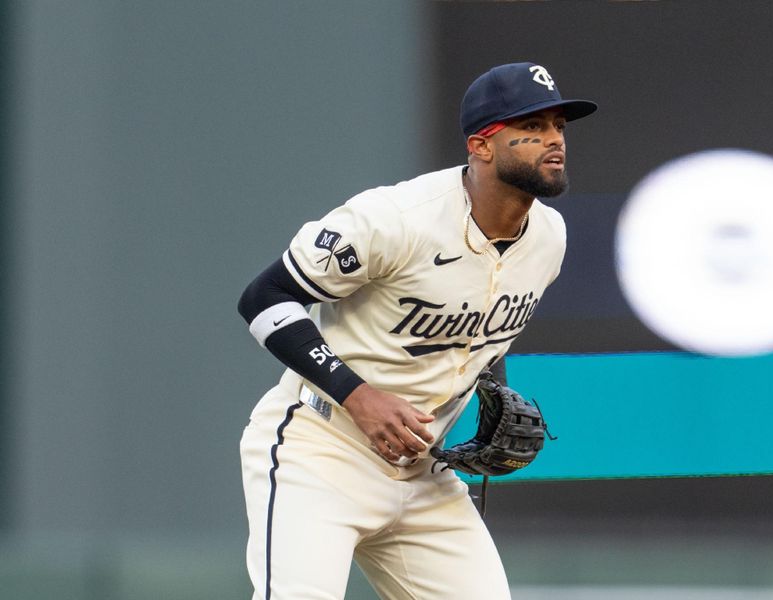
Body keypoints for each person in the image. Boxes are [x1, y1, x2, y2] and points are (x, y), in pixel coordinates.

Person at [237, 61, 597, 600]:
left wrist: (489, 395)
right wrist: (356, 394)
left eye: (559, 127)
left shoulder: (549, 237)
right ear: (481, 145)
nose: (554, 141)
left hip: (425, 472)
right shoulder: (394, 218)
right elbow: (263, 300)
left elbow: (475, 333)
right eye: (533, 127)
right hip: (320, 450)